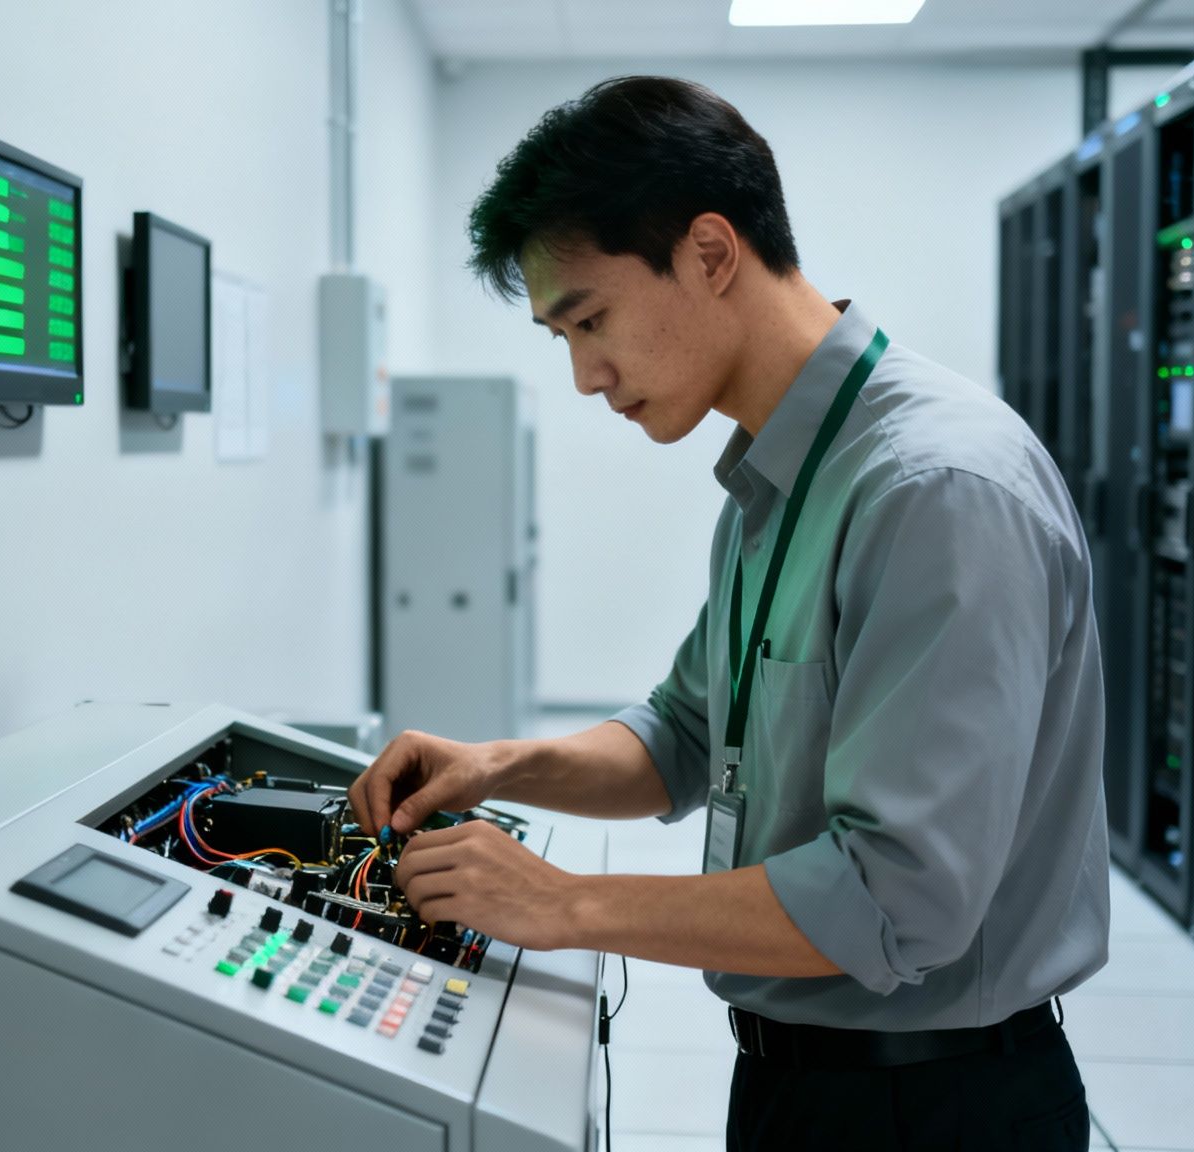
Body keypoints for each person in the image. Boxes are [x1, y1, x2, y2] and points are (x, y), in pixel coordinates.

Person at [347, 76, 1109, 1151]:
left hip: (934, 1107)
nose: (582, 376)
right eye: (558, 336)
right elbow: (683, 737)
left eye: (591, 319)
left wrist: (564, 904)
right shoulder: (778, 481)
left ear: (709, 254)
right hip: (800, 1085)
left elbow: (896, 898)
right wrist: (498, 764)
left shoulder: (933, 488)